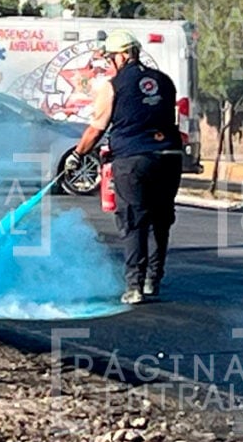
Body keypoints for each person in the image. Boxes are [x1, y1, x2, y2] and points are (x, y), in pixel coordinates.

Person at [65, 30, 183, 305]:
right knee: (160, 219)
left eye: (110, 58)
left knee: (133, 219)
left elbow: (97, 127)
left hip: (134, 159)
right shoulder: (164, 81)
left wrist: (78, 154)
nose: (108, 63)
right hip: (170, 156)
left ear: (123, 56)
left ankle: (134, 286)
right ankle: (154, 279)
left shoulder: (112, 86)